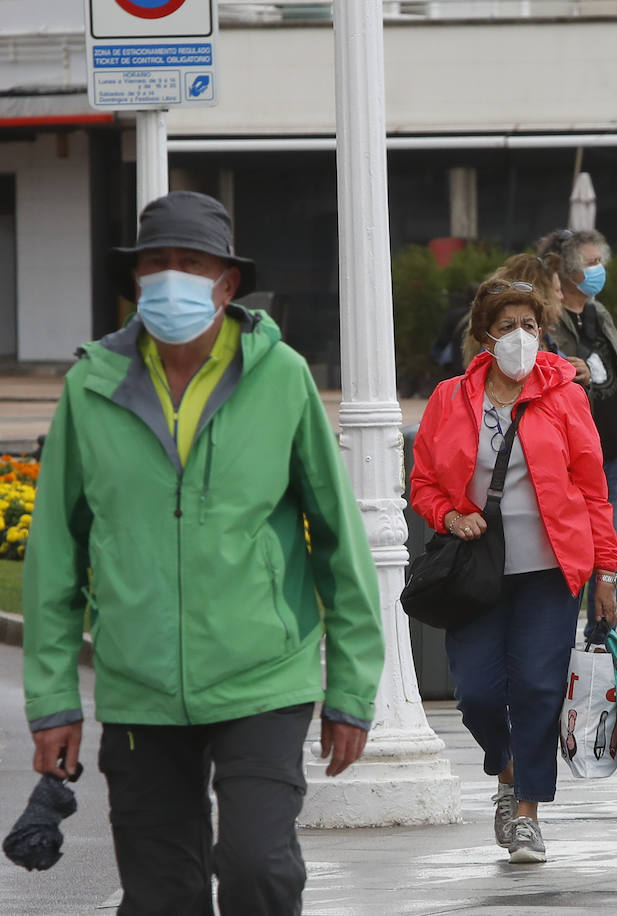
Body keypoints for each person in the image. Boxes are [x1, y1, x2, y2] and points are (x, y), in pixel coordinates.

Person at [22, 190, 385, 914]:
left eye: (191, 263)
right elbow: (55, 555)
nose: (170, 278)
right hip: (138, 686)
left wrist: (351, 690)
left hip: (262, 679)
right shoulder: (91, 387)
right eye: (156, 264)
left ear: (226, 283)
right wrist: (53, 699)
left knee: (258, 869)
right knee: (161, 897)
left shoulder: (281, 379)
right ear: (134, 281)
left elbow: (338, 538)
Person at [409, 277, 617, 865]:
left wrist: (607, 571)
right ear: (485, 336)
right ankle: (506, 770)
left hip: (551, 571)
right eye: (508, 327)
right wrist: (450, 515)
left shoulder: (565, 396)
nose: (521, 337)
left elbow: (593, 490)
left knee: (536, 688)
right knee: (476, 693)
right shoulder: (450, 398)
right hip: (477, 571)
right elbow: (423, 483)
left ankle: (527, 810)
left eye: (531, 325)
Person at [538, 228, 617, 644]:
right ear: (566, 270)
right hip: (569, 459)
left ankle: (602, 646)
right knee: (570, 558)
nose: (598, 270)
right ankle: (562, 656)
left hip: (607, 456)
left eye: (600, 261)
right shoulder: (549, 319)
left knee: (614, 556)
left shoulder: (599, 312)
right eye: (589, 263)